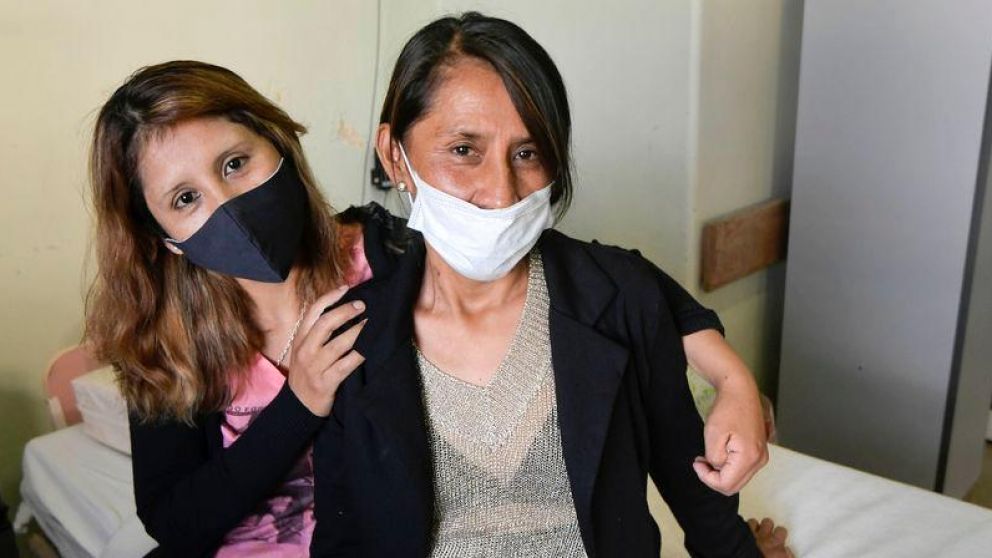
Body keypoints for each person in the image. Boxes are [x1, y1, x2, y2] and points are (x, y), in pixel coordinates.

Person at [311, 12, 787, 558]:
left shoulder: (620, 297)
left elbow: (697, 494)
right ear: (395, 153)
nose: (500, 191)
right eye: (464, 150)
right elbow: (341, 539)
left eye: (527, 153)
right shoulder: (352, 341)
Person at [85, 61, 369, 557]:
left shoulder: (386, 263)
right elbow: (172, 519)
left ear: (278, 141)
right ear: (167, 240)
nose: (228, 206)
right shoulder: (162, 343)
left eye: (235, 164)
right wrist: (297, 407)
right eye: (186, 198)